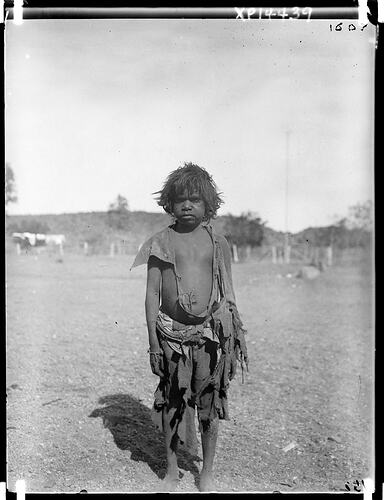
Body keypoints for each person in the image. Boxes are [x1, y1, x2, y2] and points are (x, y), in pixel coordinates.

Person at [131, 162, 248, 492]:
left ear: (208, 203)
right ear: (169, 203)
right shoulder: (160, 242)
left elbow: (229, 291)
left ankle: (206, 472)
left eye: (195, 199)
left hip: (211, 337)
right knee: (173, 402)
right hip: (171, 335)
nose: (187, 205)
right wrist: (153, 342)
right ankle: (171, 470)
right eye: (180, 199)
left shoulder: (219, 243)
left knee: (210, 405)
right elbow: (151, 294)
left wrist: (233, 336)